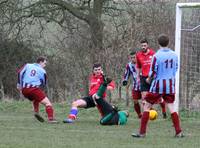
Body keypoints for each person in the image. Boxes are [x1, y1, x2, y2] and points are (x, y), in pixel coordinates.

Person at [132, 34, 183, 138]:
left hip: (158, 85)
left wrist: (148, 79)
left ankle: (142, 133)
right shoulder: (174, 55)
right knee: (172, 107)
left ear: (158, 43)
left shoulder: (156, 55)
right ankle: (179, 132)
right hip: (169, 85)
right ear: (168, 43)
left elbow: (153, 71)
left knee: (146, 106)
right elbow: (176, 68)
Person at [17, 56, 58, 123]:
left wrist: (19, 84)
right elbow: (44, 83)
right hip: (33, 89)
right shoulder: (43, 71)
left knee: (35, 99)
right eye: (44, 63)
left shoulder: (28, 65)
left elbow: (20, 73)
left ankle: (36, 112)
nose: (45, 65)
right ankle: (51, 119)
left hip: (24, 90)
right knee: (48, 103)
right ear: (40, 62)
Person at [136, 38, 167, 118]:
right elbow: (138, 66)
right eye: (142, 45)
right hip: (143, 77)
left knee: (158, 97)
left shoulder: (153, 54)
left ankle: (164, 110)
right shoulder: (138, 55)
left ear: (147, 45)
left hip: (153, 77)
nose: (143, 47)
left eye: (144, 45)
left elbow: (158, 65)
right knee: (144, 97)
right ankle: (147, 115)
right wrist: (138, 76)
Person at [122, 51, 142, 118]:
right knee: (135, 100)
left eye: (134, 57)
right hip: (135, 86)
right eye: (131, 58)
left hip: (144, 85)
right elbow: (126, 74)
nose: (133, 59)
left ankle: (150, 113)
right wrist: (125, 80)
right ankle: (139, 115)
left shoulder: (142, 62)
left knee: (146, 100)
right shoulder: (129, 65)